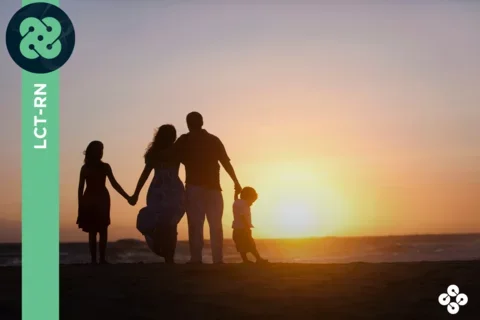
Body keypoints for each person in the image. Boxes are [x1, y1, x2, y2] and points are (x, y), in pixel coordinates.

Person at [174, 112, 242, 264]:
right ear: (202, 122)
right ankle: (217, 259)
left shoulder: (184, 140)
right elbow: (225, 162)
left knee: (196, 224)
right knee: (215, 224)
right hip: (212, 188)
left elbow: (173, 159)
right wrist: (236, 182)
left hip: (196, 187)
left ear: (187, 123)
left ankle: (197, 258)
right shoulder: (212, 140)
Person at [129, 124, 185, 264]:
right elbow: (145, 174)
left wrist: (136, 193)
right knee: (169, 224)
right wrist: (135, 193)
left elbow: (144, 176)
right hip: (167, 191)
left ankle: (167, 254)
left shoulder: (165, 152)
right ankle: (168, 255)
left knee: (168, 223)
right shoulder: (175, 151)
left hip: (161, 190)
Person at [77, 141, 131, 264]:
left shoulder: (105, 166)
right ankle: (94, 260)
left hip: (102, 199)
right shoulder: (85, 168)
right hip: (89, 199)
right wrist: (80, 207)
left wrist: (127, 197)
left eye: (102, 150)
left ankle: (101, 259)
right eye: (99, 150)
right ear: (92, 152)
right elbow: (80, 188)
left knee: (103, 229)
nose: (101, 153)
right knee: (92, 231)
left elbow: (114, 184)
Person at [232, 187, 268, 264]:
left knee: (241, 246)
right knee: (251, 244)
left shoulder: (237, 202)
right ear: (248, 197)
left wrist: (236, 193)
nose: (252, 203)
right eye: (252, 201)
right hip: (243, 229)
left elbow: (235, 199)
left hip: (236, 229)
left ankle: (245, 260)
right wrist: (247, 227)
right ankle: (258, 259)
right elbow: (242, 216)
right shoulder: (244, 205)